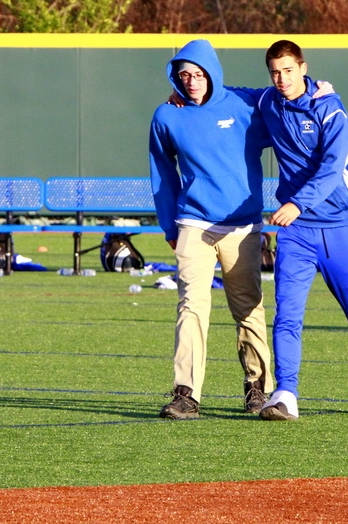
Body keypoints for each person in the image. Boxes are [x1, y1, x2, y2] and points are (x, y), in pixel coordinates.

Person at [255, 39, 348, 421]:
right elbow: (229, 97)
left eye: (288, 71)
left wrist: (296, 202)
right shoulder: (267, 102)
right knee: (287, 315)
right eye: (275, 72)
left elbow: (331, 169)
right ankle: (286, 394)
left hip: (339, 229)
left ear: (304, 68)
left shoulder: (331, 109)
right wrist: (187, 93)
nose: (281, 79)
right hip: (296, 233)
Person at [149, 39, 274, 419]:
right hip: (193, 224)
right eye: (184, 74)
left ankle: (258, 388)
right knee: (191, 307)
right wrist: (168, 222)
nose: (191, 81)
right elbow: (162, 173)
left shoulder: (246, 104)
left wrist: (319, 87)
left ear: (211, 72)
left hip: (242, 226)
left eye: (198, 73)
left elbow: (289, 91)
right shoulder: (166, 116)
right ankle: (186, 394)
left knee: (248, 308)